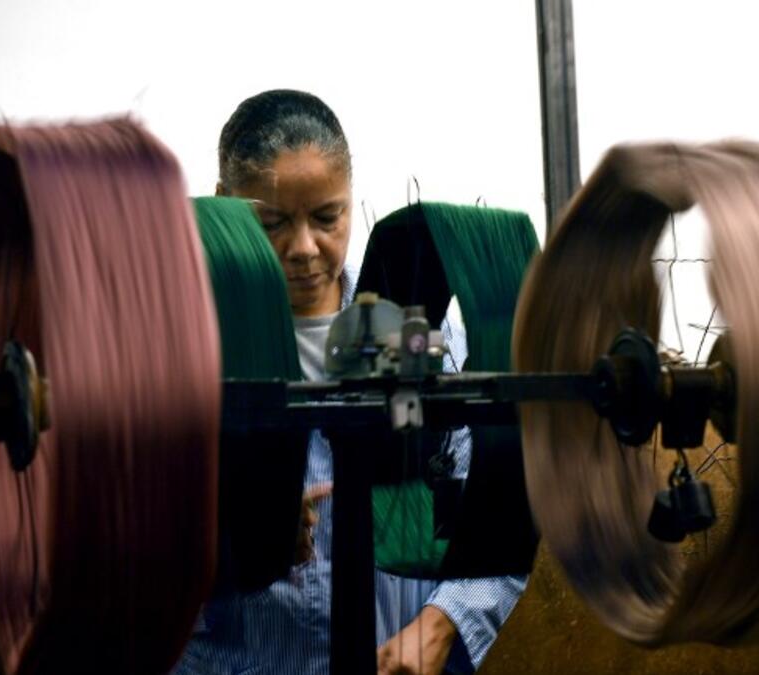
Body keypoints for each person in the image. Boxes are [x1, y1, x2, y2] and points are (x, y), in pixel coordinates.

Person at [174, 89, 526, 675]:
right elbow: (123, 546)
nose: (305, 248)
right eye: (273, 222)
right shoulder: (176, 354)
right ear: (224, 205)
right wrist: (232, 539)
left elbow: (496, 506)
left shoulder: (426, 339)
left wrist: (441, 627)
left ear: (351, 199)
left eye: (326, 217)